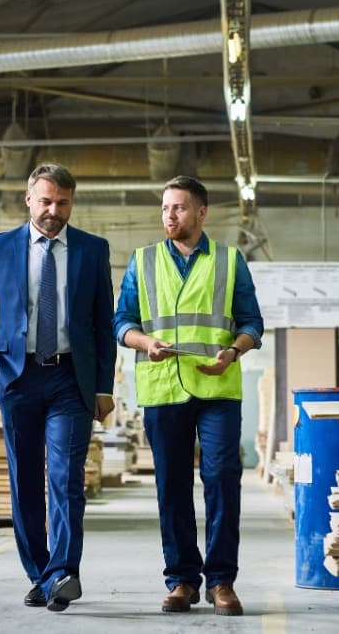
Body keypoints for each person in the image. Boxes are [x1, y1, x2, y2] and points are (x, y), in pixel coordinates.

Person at [0, 163, 116, 612]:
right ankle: (39, 573)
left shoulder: (92, 250)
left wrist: (103, 387)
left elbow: (103, 326)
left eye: (63, 203)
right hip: (18, 378)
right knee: (24, 479)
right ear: (28, 198)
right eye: (46, 201)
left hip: (71, 380)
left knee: (66, 478)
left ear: (72, 202)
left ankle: (64, 573)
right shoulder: (0, 248)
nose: (54, 211)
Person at [113, 175, 263, 617]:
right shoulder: (142, 262)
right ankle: (181, 579)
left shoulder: (230, 261)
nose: (169, 216)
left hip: (217, 384)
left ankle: (221, 581)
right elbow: (122, 322)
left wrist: (234, 351)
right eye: (164, 208)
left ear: (201, 212)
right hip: (163, 386)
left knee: (220, 478)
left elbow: (252, 323)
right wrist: (146, 344)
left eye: (178, 208)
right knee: (172, 485)